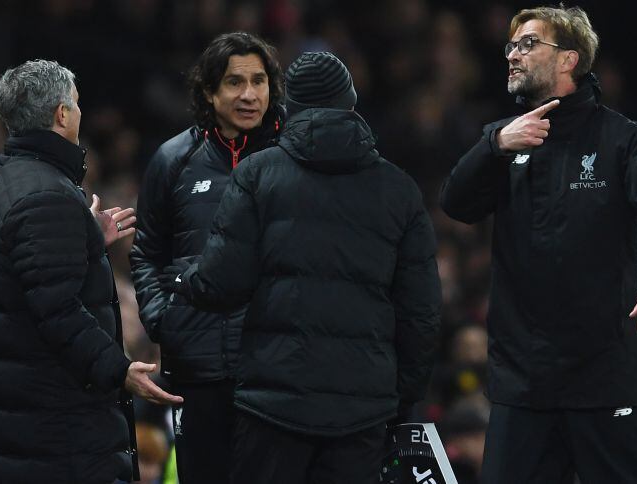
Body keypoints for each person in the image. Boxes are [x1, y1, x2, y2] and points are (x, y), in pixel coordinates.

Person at [439, 5, 637, 483]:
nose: (513, 56)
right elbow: (456, 203)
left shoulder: (622, 140)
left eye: (528, 43)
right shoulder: (505, 140)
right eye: (511, 46)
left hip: (604, 376)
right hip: (523, 383)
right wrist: (494, 145)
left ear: (569, 60)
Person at [161, 51, 441, 484]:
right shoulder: (399, 189)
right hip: (362, 408)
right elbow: (421, 313)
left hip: (273, 406)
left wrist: (183, 277)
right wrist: (400, 397)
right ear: (351, 102)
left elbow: (222, 283)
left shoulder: (257, 175)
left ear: (289, 107)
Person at [0, 59, 182, 484]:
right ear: (61, 114)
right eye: (77, 104)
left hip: (19, 427)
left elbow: (17, 277)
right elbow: (56, 310)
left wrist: (82, 242)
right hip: (54, 437)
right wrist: (118, 369)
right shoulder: (47, 195)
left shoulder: (3, 177)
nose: (80, 113)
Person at [129, 31, 284, 483]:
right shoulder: (173, 160)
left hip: (273, 368)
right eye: (235, 82)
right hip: (197, 368)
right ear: (209, 91)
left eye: (259, 81)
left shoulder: (292, 155)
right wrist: (163, 319)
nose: (250, 94)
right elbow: (147, 253)